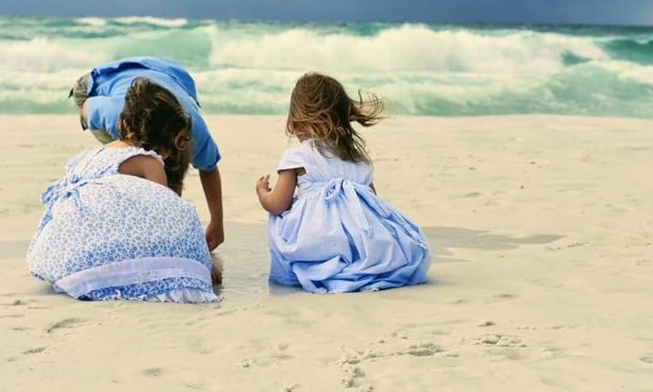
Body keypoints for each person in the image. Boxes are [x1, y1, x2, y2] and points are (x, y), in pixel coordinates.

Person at [27, 77, 220, 302]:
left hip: (63, 251)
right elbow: (163, 218)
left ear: (122, 122)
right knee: (181, 216)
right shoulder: (149, 163)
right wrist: (203, 261)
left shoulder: (92, 156)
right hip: (96, 252)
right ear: (166, 140)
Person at [255, 72, 432, 293]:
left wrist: (262, 192)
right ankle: (360, 264)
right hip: (359, 242)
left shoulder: (297, 156)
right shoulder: (357, 159)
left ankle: (311, 269)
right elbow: (373, 204)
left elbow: (277, 205)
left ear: (298, 118)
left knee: (278, 219)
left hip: (317, 240)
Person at [70, 56, 224, 251]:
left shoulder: (196, 133)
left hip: (168, 75)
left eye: (162, 152)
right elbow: (86, 107)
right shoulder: (115, 115)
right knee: (129, 172)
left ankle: (164, 232)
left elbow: (209, 168)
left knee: (166, 178)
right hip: (99, 83)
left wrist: (217, 222)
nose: (159, 158)